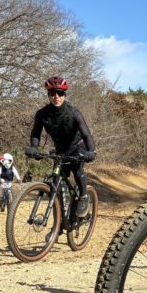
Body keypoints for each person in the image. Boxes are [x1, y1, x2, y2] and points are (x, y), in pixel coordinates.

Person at [25, 76, 96, 217]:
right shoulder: (42, 114)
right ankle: (59, 221)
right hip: (61, 150)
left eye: (60, 93)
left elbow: (86, 134)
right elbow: (36, 133)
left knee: (77, 170)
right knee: (56, 181)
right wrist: (34, 148)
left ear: (64, 95)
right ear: (48, 95)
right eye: (52, 93)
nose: (56, 96)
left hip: (77, 146)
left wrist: (91, 151)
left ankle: (83, 196)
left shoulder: (74, 113)